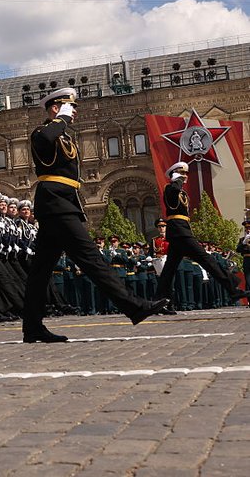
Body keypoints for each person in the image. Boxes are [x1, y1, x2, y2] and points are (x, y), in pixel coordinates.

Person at [22, 87, 168, 342]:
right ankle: (134, 306)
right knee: (91, 258)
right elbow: (45, 139)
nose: (74, 113)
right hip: (56, 205)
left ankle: (32, 327)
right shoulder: (43, 132)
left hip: (63, 202)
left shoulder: (64, 136)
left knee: (40, 271)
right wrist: (62, 118)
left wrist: (63, 122)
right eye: (70, 108)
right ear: (55, 108)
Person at [155, 161, 249, 304]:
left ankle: (160, 301)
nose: (185, 176)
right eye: (182, 174)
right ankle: (232, 290)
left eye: (185, 174)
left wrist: (178, 180)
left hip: (180, 231)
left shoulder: (180, 191)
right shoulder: (170, 188)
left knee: (169, 270)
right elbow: (173, 199)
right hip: (179, 232)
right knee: (207, 259)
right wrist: (176, 180)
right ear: (175, 175)